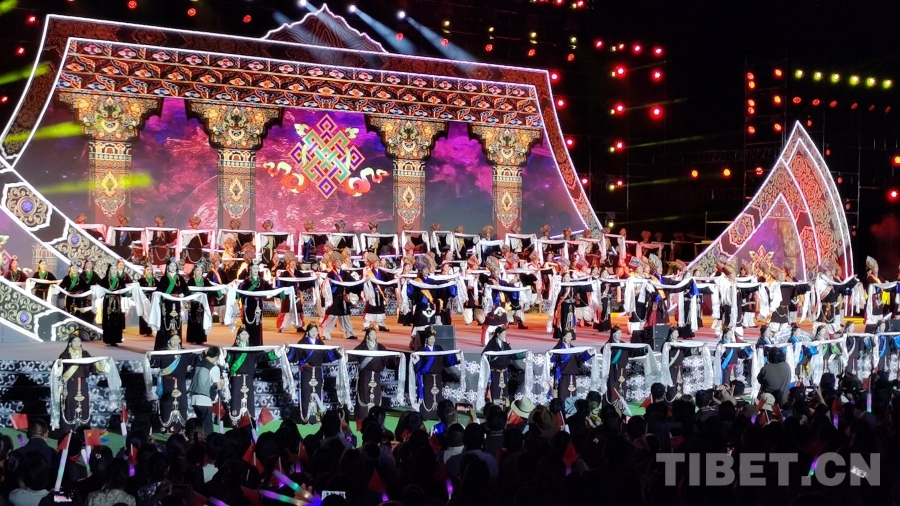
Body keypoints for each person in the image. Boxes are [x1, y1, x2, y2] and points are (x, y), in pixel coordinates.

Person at [224, 327, 281, 425]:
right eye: (242, 334)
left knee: (249, 399)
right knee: (236, 398)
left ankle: (249, 420)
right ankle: (235, 420)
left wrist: (276, 352)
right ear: (238, 336)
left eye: (246, 334)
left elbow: (264, 356)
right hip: (236, 378)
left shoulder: (253, 349)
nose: (244, 336)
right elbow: (228, 360)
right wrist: (224, 354)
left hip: (249, 378)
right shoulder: (233, 349)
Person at [288, 323, 339, 425]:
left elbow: (327, 355)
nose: (313, 333)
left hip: (318, 371)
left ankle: (317, 417)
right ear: (307, 332)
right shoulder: (302, 343)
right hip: (306, 371)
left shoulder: (320, 343)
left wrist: (337, 353)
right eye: (311, 331)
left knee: (318, 394)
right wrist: (288, 350)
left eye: (315, 331)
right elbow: (295, 353)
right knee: (305, 393)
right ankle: (305, 417)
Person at [56, 334, 108, 432]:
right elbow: (58, 371)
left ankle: (84, 431)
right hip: (70, 384)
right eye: (74, 341)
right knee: (70, 405)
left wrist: (102, 362)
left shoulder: (85, 354)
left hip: (83, 383)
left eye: (79, 341)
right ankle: (68, 431)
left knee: (84, 405)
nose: (77, 343)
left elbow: (93, 366)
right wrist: (59, 365)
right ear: (70, 343)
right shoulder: (65, 355)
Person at [349, 327, 400, 424]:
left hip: (376, 375)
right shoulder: (362, 347)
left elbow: (387, 358)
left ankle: (376, 416)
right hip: (365, 375)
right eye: (371, 334)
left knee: (376, 395)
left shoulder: (380, 347)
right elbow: (353, 355)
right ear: (367, 336)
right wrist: (346, 356)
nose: (373, 336)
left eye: (374, 334)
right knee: (364, 394)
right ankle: (362, 416)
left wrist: (397, 357)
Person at [149, 334, 198, 433]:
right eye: (173, 339)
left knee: (182, 403)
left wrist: (203, 355)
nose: (176, 342)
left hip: (181, 382)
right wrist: (150, 358)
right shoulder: (163, 352)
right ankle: (166, 426)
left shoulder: (184, 352)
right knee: (167, 403)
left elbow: (195, 360)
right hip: (167, 382)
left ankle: (181, 426)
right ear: (168, 341)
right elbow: (154, 363)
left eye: (177, 339)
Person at [414, 328, 458, 420]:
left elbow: (446, 359)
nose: (432, 341)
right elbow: (418, 366)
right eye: (430, 339)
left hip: (438, 377)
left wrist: (456, 357)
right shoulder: (421, 350)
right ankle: (426, 415)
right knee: (428, 396)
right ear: (426, 339)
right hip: (427, 378)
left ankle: (437, 415)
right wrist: (416, 360)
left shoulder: (438, 348)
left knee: (438, 396)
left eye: (433, 339)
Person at [481, 326, 526, 406]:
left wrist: (523, 354)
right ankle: (494, 407)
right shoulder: (492, 344)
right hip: (495, 372)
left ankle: (504, 407)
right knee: (495, 390)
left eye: (505, 334)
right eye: (503, 334)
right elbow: (484, 354)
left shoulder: (505, 345)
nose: (504, 336)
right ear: (498, 334)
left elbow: (511, 354)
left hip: (504, 372)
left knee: (504, 391)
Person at [237, 259, 277, 346]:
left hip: (259, 306)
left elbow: (271, 290)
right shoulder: (246, 281)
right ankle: (247, 343)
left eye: (256, 268)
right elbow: (240, 292)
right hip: (249, 306)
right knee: (249, 325)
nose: (255, 270)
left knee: (258, 325)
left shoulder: (262, 281)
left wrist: (283, 292)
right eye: (253, 268)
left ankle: (257, 344)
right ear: (250, 270)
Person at [154, 258, 189, 350]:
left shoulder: (180, 278)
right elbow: (158, 291)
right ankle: (164, 345)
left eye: (174, 266)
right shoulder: (164, 278)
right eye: (171, 266)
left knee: (176, 322)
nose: (173, 268)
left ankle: (176, 344)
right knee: (166, 323)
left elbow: (186, 290)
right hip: (166, 304)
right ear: (168, 267)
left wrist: (183, 294)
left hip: (176, 304)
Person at [550, 330, 595, 403]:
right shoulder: (559, 348)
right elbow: (553, 358)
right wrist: (550, 354)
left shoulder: (573, 349)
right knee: (562, 394)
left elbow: (580, 358)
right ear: (563, 337)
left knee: (572, 395)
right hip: (562, 376)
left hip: (572, 375)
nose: (569, 338)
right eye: (567, 336)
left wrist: (589, 353)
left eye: (570, 336)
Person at [190, 346, 225, 437]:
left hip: (194, 399)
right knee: (207, 426)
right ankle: (208, 442)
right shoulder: (213, 368)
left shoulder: (197, 364)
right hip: (204, 400)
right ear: (216, 357)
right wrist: (222, 382)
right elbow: (219, 386)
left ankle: (197, 440)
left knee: (200, 424)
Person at [321, 252, 356, 340]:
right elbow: (327, 287)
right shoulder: (330, 274)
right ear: (333, 263)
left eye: (340, 261)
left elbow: (353, 282)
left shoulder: (345, 274)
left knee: (345, 316)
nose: (339, 263)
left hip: (343, 298)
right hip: (334, 298)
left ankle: (349, 333)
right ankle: (324, 333)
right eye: (337, 261)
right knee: (332, 315)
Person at [276, 253, 309, 333]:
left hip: (297, 294)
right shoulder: (285, 273)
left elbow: (305, 279)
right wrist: (278, 279)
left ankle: (299, 326)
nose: (293, 263)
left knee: (298, 311)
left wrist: (314, 277)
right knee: (286, 310)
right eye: (292, 262)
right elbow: (281, 283)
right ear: (289, 263)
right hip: (288, 295)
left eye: (294, 262)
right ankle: (281, 326)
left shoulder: (298, 273)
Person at [100, 261, 129, 347]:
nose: (114, 270)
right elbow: (101, 291)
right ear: (109, 270)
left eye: (115, 269)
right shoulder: (104, 280)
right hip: (108, 300)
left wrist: (129, 293)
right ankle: (108, 339)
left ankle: (116, 339)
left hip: (117, 301)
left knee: (117, 319)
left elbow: (124, 292)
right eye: (112, 269)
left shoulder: (120, 280)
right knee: (108, 318)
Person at [186, 263, 217, 345]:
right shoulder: (191, 280)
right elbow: (187, 291)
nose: (199, 272)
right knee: (193, 320)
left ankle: (200, 338)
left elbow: (211, 289)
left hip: (203, 304)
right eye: (197, 270)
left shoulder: (205, 281)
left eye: (200, 270)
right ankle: (192, 338)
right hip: (193, 304)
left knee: (202, 320)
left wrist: (220, 291)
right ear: (194, 271)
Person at [362, 252, 391, 332]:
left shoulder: (382, 272)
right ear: (372, 263)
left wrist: (394, 277)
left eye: (378, 262)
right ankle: (367, 325)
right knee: (370, 309)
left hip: (380, 293)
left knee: (380, 309)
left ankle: (381, 325)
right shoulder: (369, 272)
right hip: (372, 293)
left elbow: (387, 279)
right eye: (375, 262)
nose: (377, 264)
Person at [77, 258, 100, 325]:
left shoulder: (94, 274)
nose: (89, 265)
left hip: (92, 295)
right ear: (85, 265)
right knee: (84, 310)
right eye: (88, 263)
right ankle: (83, 324)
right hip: (84, 295)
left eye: (90, 264)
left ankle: (90, 324)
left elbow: (100, 282)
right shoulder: (82, 274)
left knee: (92, 309)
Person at [137, 264, 156, 336]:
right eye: (148, 269)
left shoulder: (155, 280)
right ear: (145, 271)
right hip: (144, 298)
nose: (149, 271)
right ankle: (144, 331)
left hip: (152, 298)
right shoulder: (141, 280)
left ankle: (151, 330)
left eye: (150, 269)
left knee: (151, 314)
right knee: (144, 313)